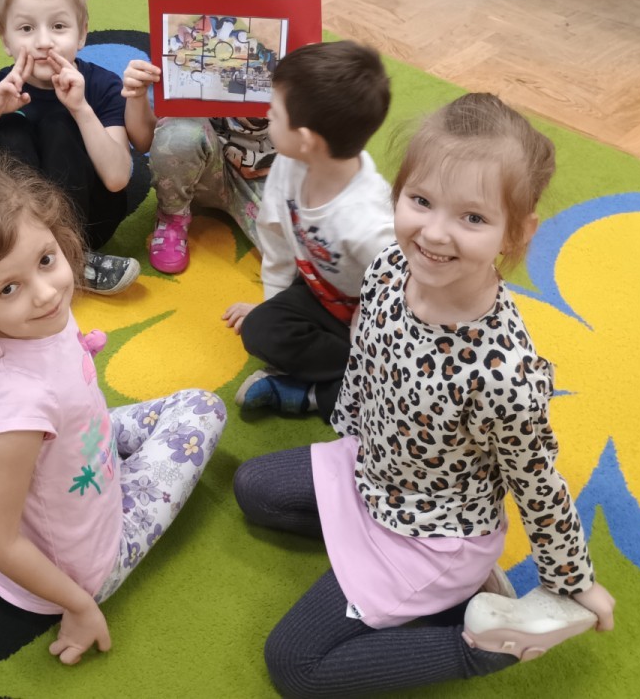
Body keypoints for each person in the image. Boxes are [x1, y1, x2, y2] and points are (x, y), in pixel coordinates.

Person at [232, 94, 616, 697]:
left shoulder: (502, 374)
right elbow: (366, 363)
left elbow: (537, 482)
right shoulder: (390, 266)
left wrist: (573, 581)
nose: (434, 233)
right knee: (253, 488)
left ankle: (484, 646)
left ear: (517, 233)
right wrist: (351, 437)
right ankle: (434, 591)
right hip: (374, 473)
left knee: (294, 666)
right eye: (421, 201)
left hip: (434, 534)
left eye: (473, 218)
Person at [0, 162, 226, 665]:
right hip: (84, 564)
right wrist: (79, 604)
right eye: (8, 288)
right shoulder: (21, 407)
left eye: (46, 260)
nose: (46, 292)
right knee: (205, 410)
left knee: (186, 405)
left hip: (74, 451)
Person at [0, 0, 140, 294]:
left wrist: (81, 109)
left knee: (59, 123)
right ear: (6, 41)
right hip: (14, 232)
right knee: (8, 129)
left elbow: (118, 177)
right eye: (26, 29)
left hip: (89, 223)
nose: (44, 42)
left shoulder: (101, 85)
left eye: (59, 26)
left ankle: (73, 255)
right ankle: (33, 256)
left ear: (82, 34)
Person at [121, 0, 290, 275]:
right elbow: (146, 141)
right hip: (202, 176)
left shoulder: (290, 35)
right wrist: (136, 94)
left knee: (306, 263)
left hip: (268, 179)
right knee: (179, 133)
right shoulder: (181, 33)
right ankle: (172, 216)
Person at [221, 41, 394, 422]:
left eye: (274, 113)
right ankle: (349, 383)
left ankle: (324, 394)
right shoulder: (288, 164)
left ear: (306, 140)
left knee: (387, 394)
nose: (266, 115)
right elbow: (275, 236)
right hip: (319, 294)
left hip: (371, 321)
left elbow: (399, 301)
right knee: (259, 330)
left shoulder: (369, 224)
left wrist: (369, 351)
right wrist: (273, 304)